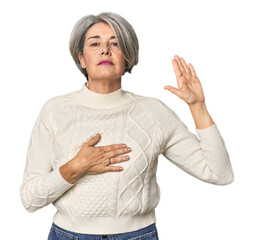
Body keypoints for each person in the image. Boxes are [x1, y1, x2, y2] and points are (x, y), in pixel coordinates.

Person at [19, 12, 234, 240]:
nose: (105, 50)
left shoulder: (154, 113)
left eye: (115, 43)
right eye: (95, 43)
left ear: (127, 56)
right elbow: (30, 199)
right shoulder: (54, 111)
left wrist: (198, 107)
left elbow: (219, 173)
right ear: (81, 58)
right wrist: (75, 167)